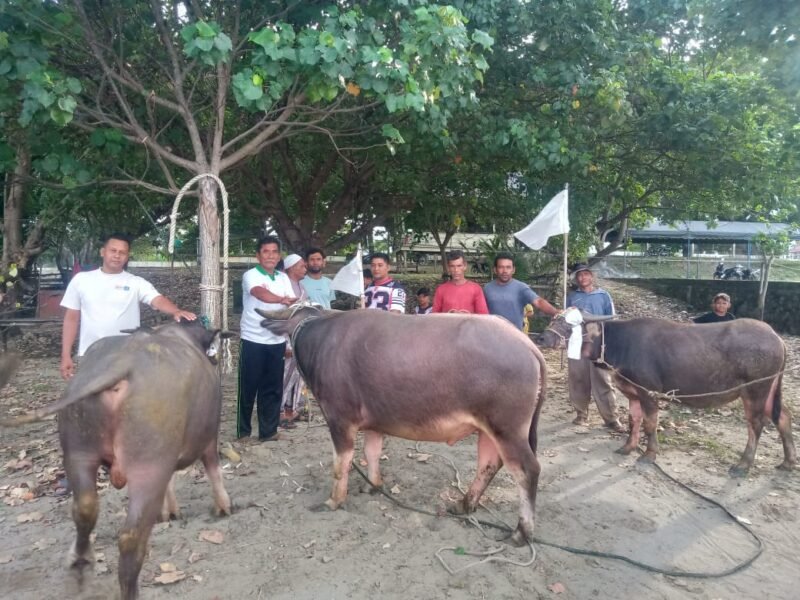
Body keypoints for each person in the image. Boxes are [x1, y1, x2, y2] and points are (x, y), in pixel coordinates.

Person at [60, 233, 196, 380]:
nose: (117, 255)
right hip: (91, 353)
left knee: (127, 399)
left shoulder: (136, 282)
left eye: (122, 252)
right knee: (91, 398)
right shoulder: (81, 280)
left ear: (127, 256)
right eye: (113, 250)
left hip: (128, 354)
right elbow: (71, 319)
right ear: (103, 252)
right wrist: (66, 355)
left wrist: (176, 311)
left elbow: (156, 299)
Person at [238, 236, 298, 442]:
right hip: (253, 339)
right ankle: (243, 432)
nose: (270, 256)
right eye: (266, 251)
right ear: (258, 255)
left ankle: (269, 431)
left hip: (277, 340)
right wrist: (281, 299)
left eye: (274, 252)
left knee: (272, 388)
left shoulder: (283, 278)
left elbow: (291, 303)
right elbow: (260, 293)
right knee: (248, 387)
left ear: (279, 256)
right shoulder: (250, 275)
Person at [565, 262, 625, 432]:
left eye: (585, 274)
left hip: (600, 343)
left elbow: (611, 320)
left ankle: (611, 418)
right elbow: (565, 319)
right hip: (577, 342)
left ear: (591, 276)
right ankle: (581, 413)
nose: (582, 278)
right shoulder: (571, 297)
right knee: (578, 378)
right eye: (579, 275)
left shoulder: (603, 295)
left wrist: (612, 343)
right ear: (576, 278)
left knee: (603, 380)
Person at [483, 252, 559, 329]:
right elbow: (481, 311)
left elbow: (538, 302)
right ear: (495, 270)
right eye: (501, 267)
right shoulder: (487, 288)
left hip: (515, 336)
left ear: (513, 270)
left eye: (508, 267)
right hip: (492, 335)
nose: (505, 271)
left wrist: (556, 313)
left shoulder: (521, 287)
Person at [280, 254, 308, 429]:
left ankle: (293, 409)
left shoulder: (302, 287)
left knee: (297, 376)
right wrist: (286, 343)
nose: (305, 268)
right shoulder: (282, 285)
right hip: (285, 338)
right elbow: (280, 317)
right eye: (301, 266)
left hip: (298, 337)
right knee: (284, 376)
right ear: (290, 268)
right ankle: (279, 412)